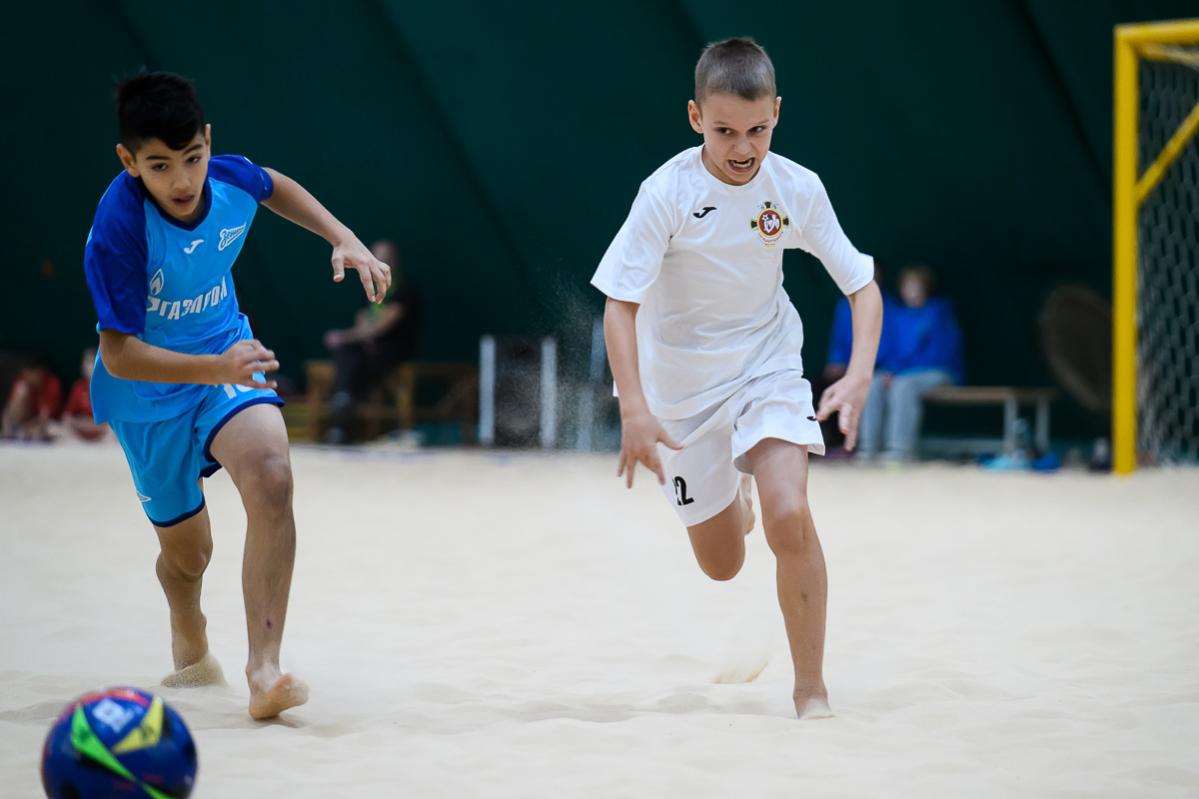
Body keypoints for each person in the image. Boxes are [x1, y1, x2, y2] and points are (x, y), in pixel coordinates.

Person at [83, 72, 390, 719]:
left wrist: (342, 235)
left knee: (273, 475)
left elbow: (274, 185)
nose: (182, 179)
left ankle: (264, 669)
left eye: (192, 157)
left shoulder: (226, 180)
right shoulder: (120, 227)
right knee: (189, 555)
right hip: (147, 395)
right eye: (160, 166)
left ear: (208, 140)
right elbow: (118, 353)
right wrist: (213, 365)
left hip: (226, 353)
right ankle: (187, 625)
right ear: (129, 161)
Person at [592, 38, 882, 719]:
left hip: (764, 366)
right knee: (722, 564)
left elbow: (862, 286)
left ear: (776, 112)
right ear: (696, 117)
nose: (742, 147)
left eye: (756, 129)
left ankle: (810, 691)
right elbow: (619, 305)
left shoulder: (797, 188)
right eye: (724, 131)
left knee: (790, 515)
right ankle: (734, 495)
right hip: (680, 394)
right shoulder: (665, 193)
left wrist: (860, 374)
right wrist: (634, 409)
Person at [857, 264, 964, 461]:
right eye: (908, 287)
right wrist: (891, 371)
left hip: (939, 372)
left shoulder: (939, 313)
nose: (912, 292)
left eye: (917, 287)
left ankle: (900, 450)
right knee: (873, 383)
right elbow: (892, 352)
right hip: (902, 373)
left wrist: (899, 374)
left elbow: (939, 355)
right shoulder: (898, 316)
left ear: (926, 289)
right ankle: (868, 448)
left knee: (903, 386)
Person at [322, 240, 421, 444]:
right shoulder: (368, 288)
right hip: (369, 347)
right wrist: (359, 336)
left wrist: (344, 336)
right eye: (376, 256)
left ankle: (344, 408)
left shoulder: (403, 290)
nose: (379, 261)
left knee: (353, 355)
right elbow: (362, 325)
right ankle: (343, 401)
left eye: (385, 258)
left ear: (394, 262)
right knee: (347, 352)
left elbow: (382, 327)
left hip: (395, 347)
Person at [818, 258, 896, 452]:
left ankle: (863, 447)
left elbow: (894, 344)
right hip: (848, 367)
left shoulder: (891, 307)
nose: (870, 278)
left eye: (874, 274)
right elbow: (838, 340)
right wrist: (837, 361)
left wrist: (865, 368)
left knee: (871, 386)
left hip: (878, 369)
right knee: (821, 386)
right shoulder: (843, 306)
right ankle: (827, 443)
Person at [1, 354, 62, 441]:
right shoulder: (22, 381)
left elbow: (44, 418)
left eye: (29, 373)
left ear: (40, 372)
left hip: (50, 426)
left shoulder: (52, 384)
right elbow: (9, 414)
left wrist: (28, 429)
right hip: (23, 425)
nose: (26, 377)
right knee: (21, 392)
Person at [56, 347, 109, 442]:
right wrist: (80, 423)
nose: (90, 366)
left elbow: (113, 420)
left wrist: (92, 425)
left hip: (104, 435)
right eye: (87, 362)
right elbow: (67, 416)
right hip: (80, 434)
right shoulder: (78, 387)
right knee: (56, 428)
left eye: (93, 362)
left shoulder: (108, 387)